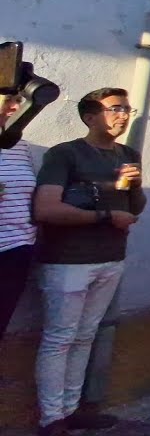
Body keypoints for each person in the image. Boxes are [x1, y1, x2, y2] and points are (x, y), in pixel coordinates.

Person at [31, 88, 146, 435]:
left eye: (127, 108)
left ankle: (71, 409)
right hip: (68, 260)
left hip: (110, 258)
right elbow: (45, 209)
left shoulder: (129, 155)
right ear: (90, 116)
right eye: (115, 109)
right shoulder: (65, 155)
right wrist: (105, 217)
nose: (123, 115)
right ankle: (51, 419)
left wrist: (135, 187)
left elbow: (134, 208)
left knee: (84, 337)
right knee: (60, 338)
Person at [1, 93, 37, 342]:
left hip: (18, 249)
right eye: (8, 99)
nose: (16, 106)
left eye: (20, 100)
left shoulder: (19, 145)